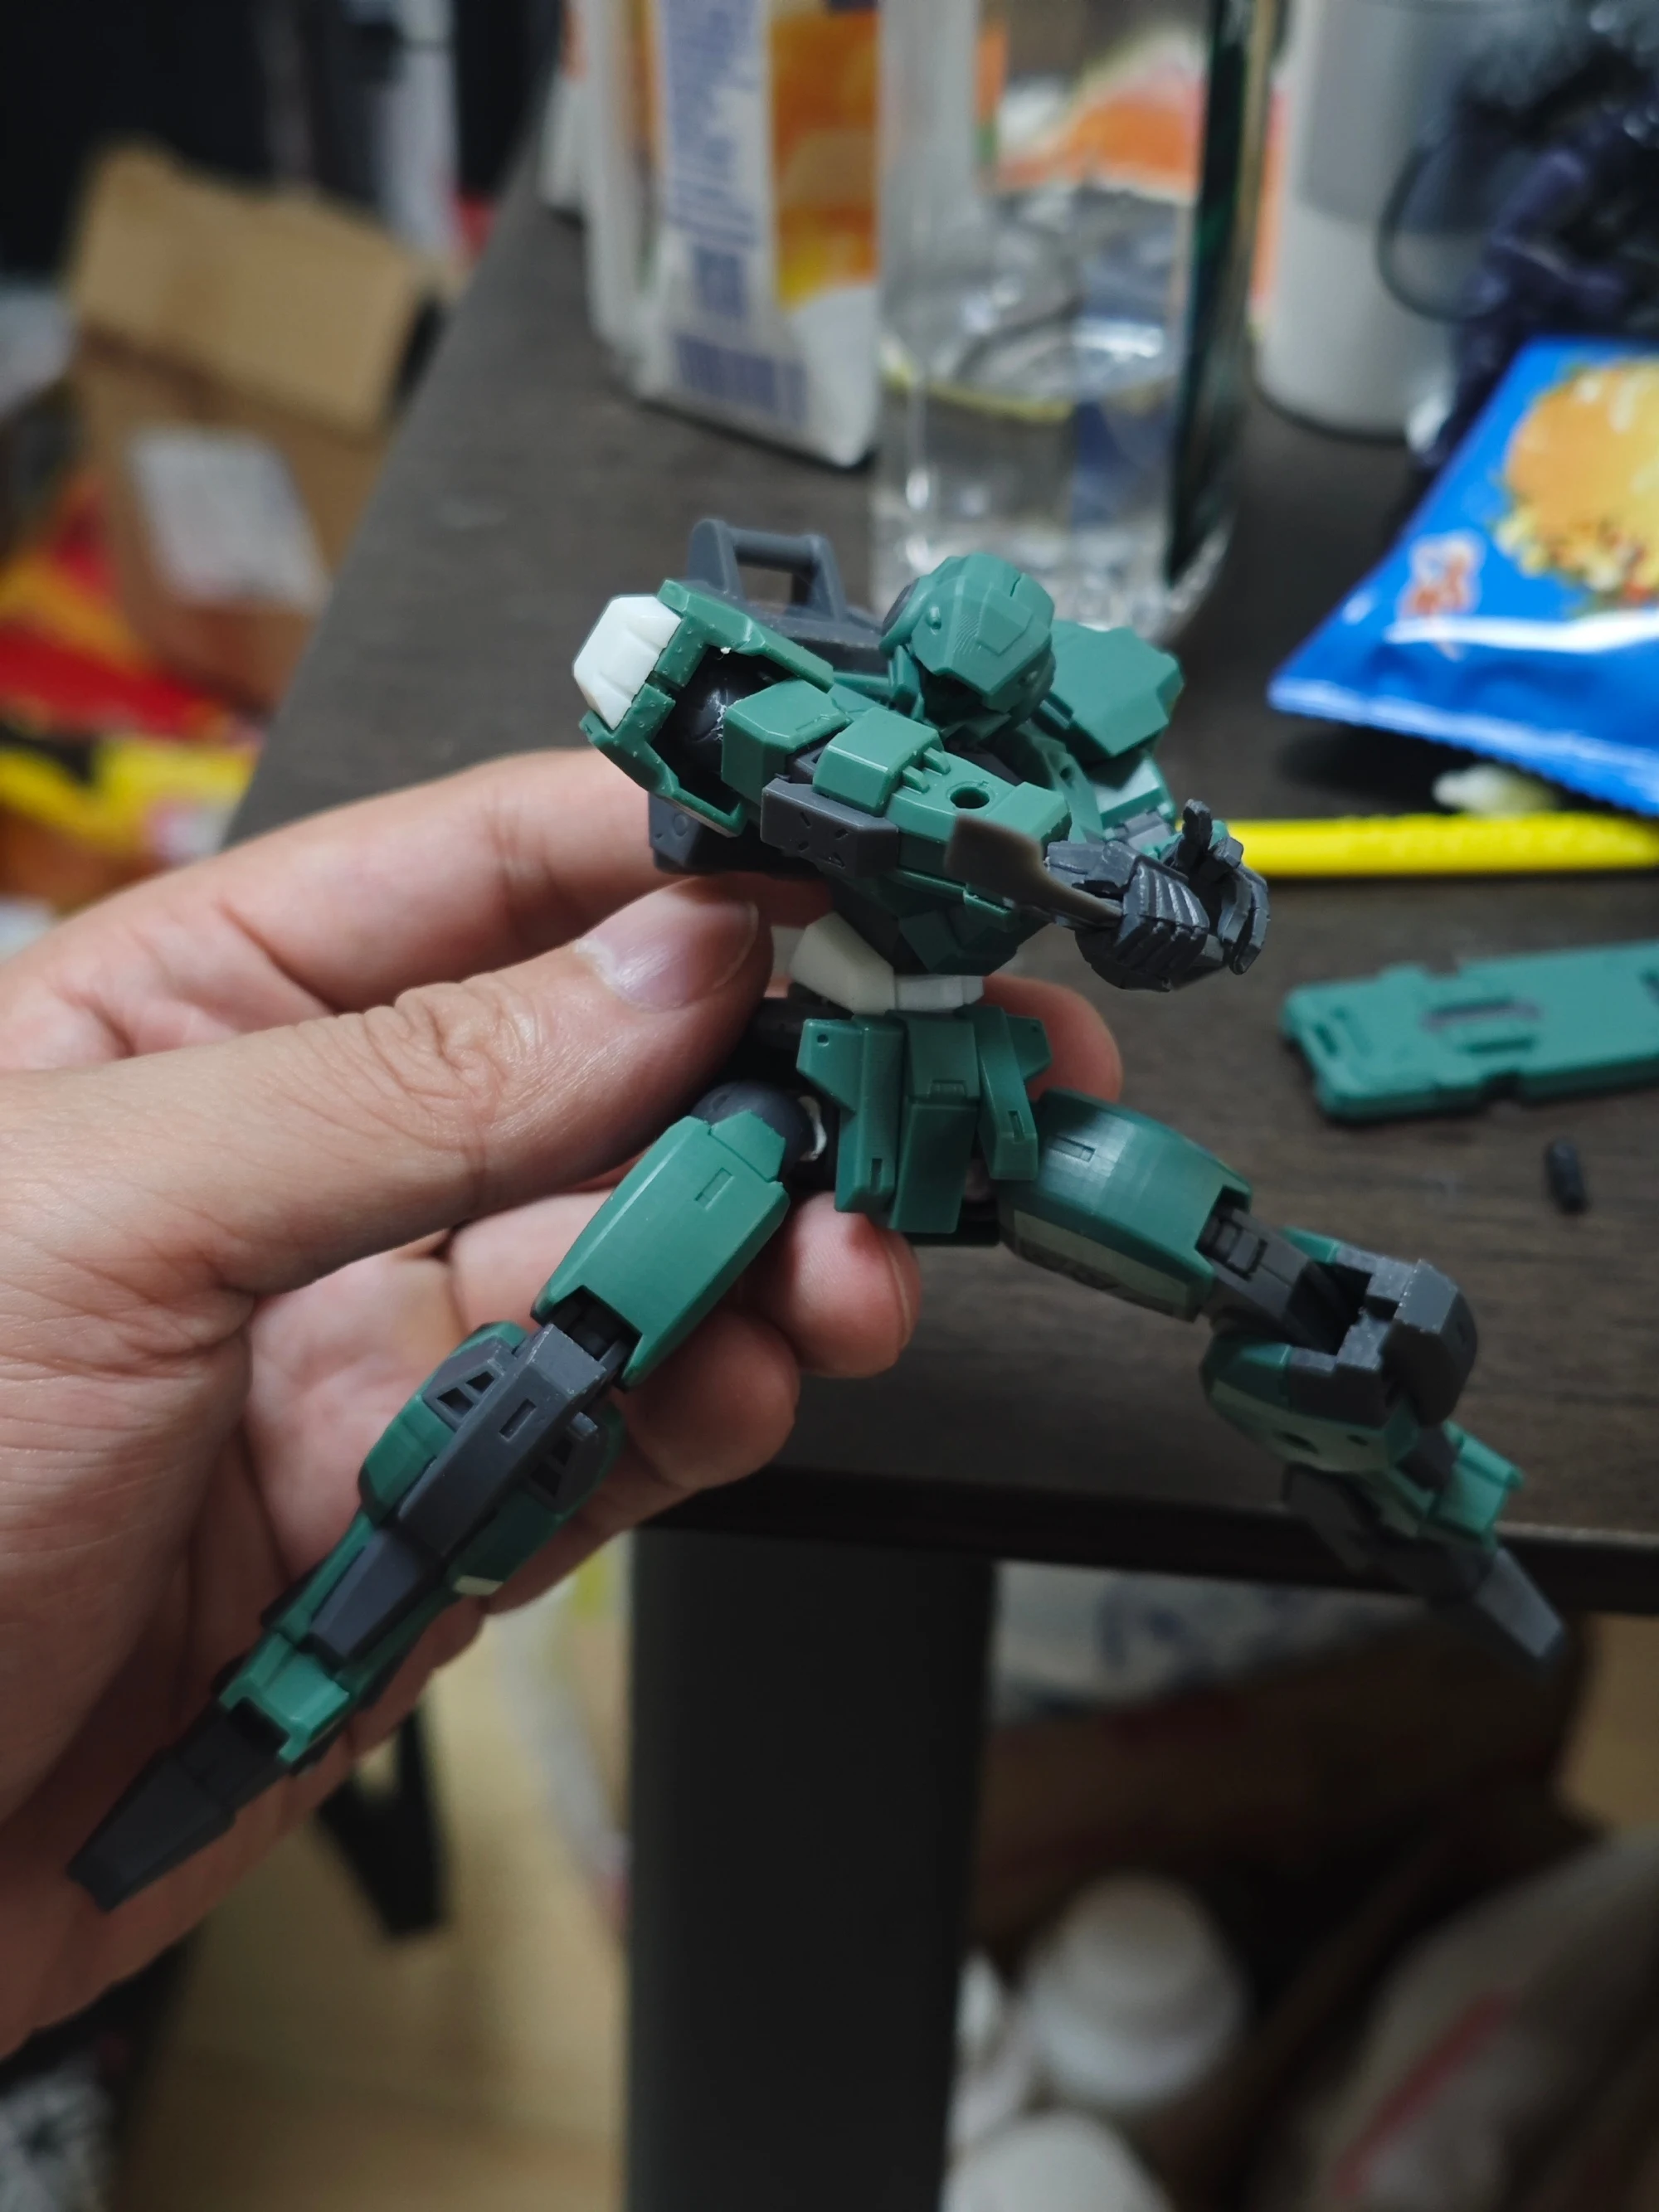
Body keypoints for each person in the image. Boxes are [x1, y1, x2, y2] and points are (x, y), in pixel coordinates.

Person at [0, 748, 1121, 2054]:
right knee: (549, 1393)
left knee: (627, 1375)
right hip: (763, 1091)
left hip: (868, 1076)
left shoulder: (1050, 795)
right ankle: (257, 1720)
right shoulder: (868, 766)